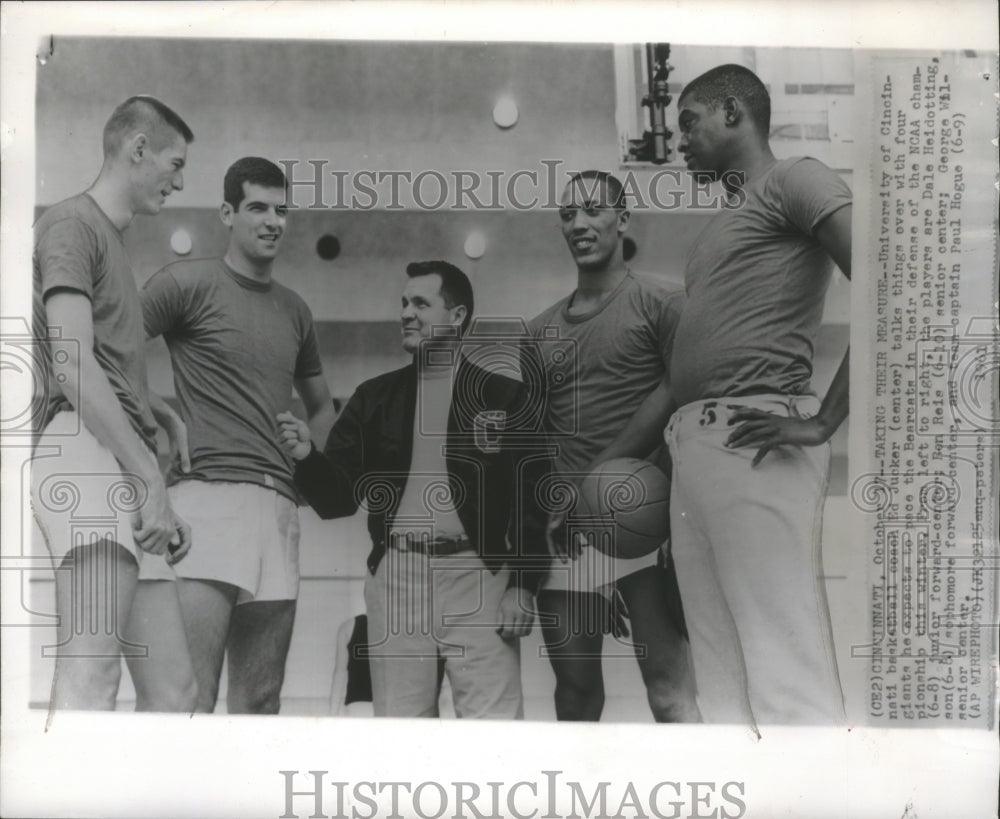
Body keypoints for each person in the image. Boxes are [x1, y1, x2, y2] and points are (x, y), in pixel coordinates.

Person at [617, 64, 851, 726]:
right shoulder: (717, 232)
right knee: (721, 690)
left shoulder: (795, 179)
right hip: (696, 454)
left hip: (756, 439)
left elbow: (890, 280)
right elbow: (680, 379)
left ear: (730, 111)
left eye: (687, 121)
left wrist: (824, 419)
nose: (680, 139)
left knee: (785, 674)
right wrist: (633, 471)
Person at [278, 261, 550, 718]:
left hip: (479, 577)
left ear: (457, 316)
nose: (406, 313)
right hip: (398, 579)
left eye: (421, 303)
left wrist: (523, 587)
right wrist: (308, 458)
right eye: (403, 303)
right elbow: (337, 500)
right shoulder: (374, 398)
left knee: (496, 738)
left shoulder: (506, 396)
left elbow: (533, 498)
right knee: (401, 740)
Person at [141, 157, 336, 714]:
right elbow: (108, 350)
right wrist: (165, 416)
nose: (273, 221)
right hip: (206, 500)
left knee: (260, 702)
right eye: (258, 208)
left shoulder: (296, 310)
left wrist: (308, 458)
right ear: (227, 213)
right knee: (188, 697)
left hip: (277, 508)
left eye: (282, 210)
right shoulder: (185, 282)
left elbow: (322, 405)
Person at [31, 96, 197, 711]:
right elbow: (70, 361)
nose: (179, 181)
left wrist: (157, 409)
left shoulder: (110, 243)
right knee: (92, 672)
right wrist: (147, 473)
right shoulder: (72, 223)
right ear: (137, 150)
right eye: (174, 164)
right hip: (85, 452)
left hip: (115, 457)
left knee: (176, 689)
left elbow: (95, 359)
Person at [525, 170, 699, 723]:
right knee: (576, 695)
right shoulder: (538, 330)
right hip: (567, 532)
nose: (579, 222)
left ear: (622, 220)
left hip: (643, 521)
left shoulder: (661, 302)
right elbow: (534, 440)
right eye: (568, 213)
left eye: (593, 210)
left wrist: (676, 520)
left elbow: (684, 399)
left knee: (669, 692)